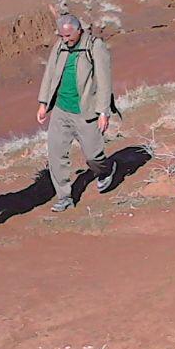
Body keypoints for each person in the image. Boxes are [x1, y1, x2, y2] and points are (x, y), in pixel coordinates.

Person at [36, 14, 115, 212]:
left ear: (79, 30)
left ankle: (105, 171)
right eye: (62, 36)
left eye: (69, 36)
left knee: (93, 156)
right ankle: (64, 197)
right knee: (56, 155)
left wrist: (103, 112)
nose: (65, 40)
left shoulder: (94, 46)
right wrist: (44, 103)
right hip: (61, 111)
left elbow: (105, 81)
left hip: (85, 111)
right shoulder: (59, 46)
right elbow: (50, 74)